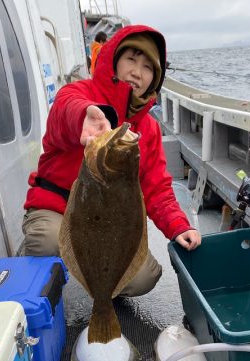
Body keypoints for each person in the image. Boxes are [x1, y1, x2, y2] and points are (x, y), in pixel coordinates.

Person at [22, 24, 201, 297]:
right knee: (46, 243)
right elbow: (64, 111)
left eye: (147, 67)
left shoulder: (149, 130)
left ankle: (101, 292)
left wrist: (179, 225)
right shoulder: (77, 94)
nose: (136, 72)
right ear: (113, 61)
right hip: (57, 208)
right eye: (130, 59)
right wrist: (84, 117)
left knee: (144, 278)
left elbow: (158, 189)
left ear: (154, 78)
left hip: (105, 223)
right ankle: (37, 291)